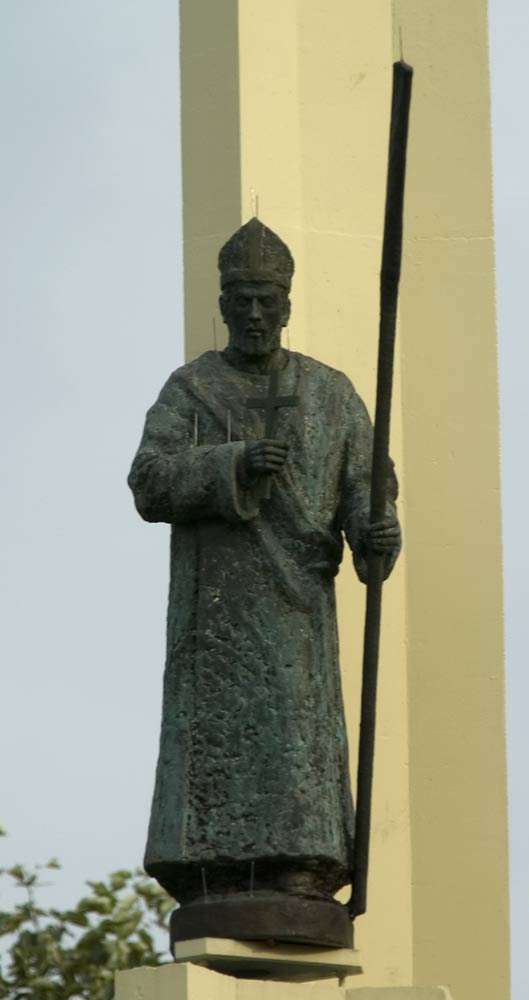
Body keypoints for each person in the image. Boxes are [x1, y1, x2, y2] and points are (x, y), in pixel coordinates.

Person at [128, 218, 401, 909]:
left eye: (267, 301)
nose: (255, 314)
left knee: (295, 732)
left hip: (296, 606)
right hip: (215, 616)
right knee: (214, 733)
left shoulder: (330, 394)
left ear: (287, 305)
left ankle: (303, 861)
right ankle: (208, 865)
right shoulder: (191, 390)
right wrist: (232, 463)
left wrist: (373, 529)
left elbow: (365, 483)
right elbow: (149, 481)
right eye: (243, 300)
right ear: (223, 303)